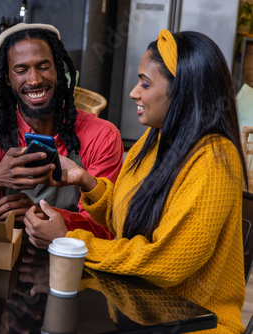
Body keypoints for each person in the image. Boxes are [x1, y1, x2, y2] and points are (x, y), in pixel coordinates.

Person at [24, 30, 247, 333]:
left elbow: (166, 263)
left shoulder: (214, 159)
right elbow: (127, 221)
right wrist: (87, 182)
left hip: (195, 324)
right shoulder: (153, 139)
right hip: (139, 310)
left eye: (145, 83)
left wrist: (70, 240)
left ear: (182, 89)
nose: (133, 92)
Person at [0, 23, 124, 243]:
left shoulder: (102, 135)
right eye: (21, 70)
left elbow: (104, 228)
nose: (34, 80)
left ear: (58, 71)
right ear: (6, 78)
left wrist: (42, 214)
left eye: (43, 67)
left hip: (74, 260)